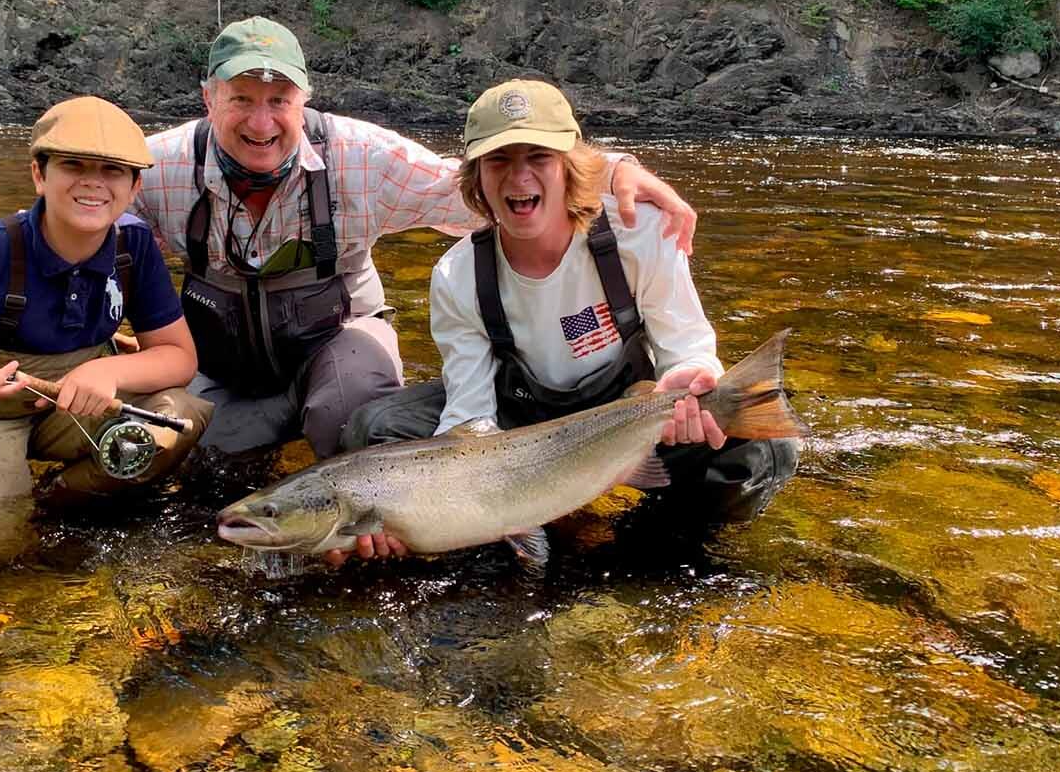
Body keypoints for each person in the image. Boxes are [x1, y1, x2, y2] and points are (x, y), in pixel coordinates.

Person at [125, 17, 699, 486]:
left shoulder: (362, 158)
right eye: (240, 99)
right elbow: (86, 230)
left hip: (337, 343)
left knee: (355, 430)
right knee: (191, 470)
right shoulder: (155, 168)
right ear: (207, 98)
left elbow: (491, 193)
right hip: (223, 365)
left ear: (303, 100)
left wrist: (616, 169)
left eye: (279, 99)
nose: (261, 121)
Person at [337, 79, 799, 563]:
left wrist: (688, 379)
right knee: (378, 429)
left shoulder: (638, 232)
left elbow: (685, 345)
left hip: (633, 420)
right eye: (499, 161)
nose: (519, 180)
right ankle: (534, 522)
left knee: (759, 444)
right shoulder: (457, 276)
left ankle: (652, 545)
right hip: (521, 432)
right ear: (475, 178)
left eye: (538, 157)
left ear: (569, 167)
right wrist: (410, 512)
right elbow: (470, 417)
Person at [0, 96, 213, 514]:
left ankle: (55, 501)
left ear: (134, 187)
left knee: (176, 420)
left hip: (72, 409)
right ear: (39, 174)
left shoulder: (134, 247)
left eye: (112, 170)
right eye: (73, 165)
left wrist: (107, 369)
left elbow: (179, 357)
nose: (93, 182)